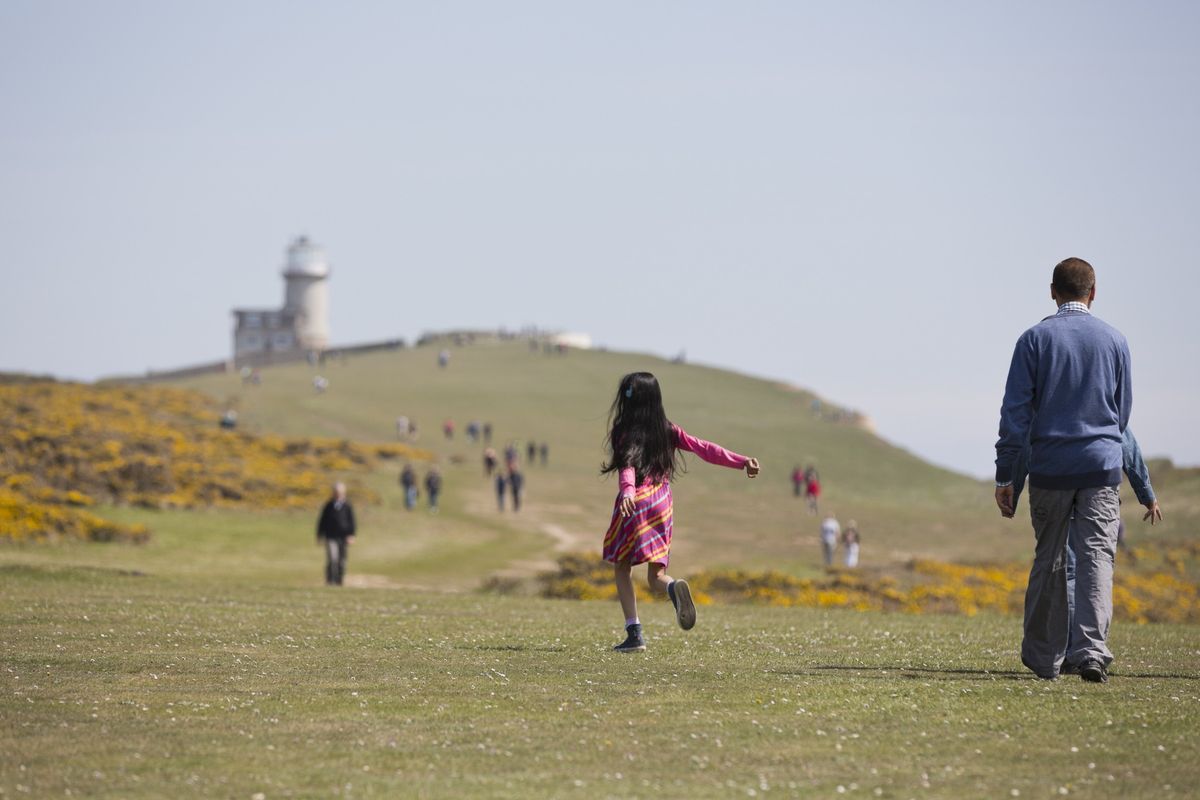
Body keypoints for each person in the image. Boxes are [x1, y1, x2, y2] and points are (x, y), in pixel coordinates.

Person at [994, 258, 1133, 683]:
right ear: (1093, 292)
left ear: (1052, 291)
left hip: (1051, 467)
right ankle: (1090, 651)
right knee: (1096, 558)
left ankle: (1043, 658)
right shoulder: (1115, 341)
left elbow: (1016, 413)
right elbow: (1121, 414)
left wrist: (1006, 475)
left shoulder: (1033, 340)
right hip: (1100, 467)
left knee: (1049, 558)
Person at [601, 372, 760, 653]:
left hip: (637, 501)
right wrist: (741, 461)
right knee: (656, 576)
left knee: (622, 567)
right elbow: (704, 449)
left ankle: (634, 632)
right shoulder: (669, 430)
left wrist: (627, 490)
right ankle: (672, 588)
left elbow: (627, 464)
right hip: (662, 502)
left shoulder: (623, 431)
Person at [1010, 427, 1162, 666]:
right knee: (1095, 568)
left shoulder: (1047, 405)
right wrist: (1147, 493)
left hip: (1056, 486)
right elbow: (1127, 445)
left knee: (1066, 573)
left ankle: (1067, 651)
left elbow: (1027, 445)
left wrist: (1012, 487)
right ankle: (1090, 651)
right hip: (1097, 488)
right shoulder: (1102, 403)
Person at [316, 483, 356, 586]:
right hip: (330, 536)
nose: (338, 494)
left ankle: (339, 581)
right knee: (332, 558)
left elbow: (352, 521)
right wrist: (319, 535)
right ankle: (330, 580)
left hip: (343, 537)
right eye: (336, 492)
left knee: (342, 561)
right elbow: (322, 520)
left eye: (340, 493)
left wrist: (351, 535)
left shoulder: (347, 505)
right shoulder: (328, 505)